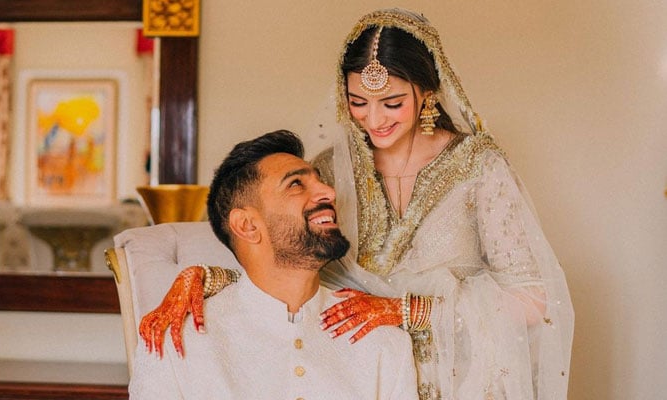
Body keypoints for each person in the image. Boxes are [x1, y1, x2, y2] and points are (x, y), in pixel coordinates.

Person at [139, 8, 574, 400]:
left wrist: (406, 311)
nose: (374, 119)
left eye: (392, 102)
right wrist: (201, 276)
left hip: (461, 377)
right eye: (358, 102)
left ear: (427, 92)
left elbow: (534, 301)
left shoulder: (480, 167)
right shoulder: (331, 169)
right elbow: (290, 255)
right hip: (356, 368)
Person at [130, 130, 419, 399]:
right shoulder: (172, 340)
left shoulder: (384, 343)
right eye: (296, 184)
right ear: (247, 225)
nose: (329, 193)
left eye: (320, 181)